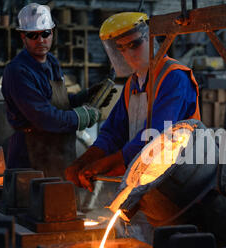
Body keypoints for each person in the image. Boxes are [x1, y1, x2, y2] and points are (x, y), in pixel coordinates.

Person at [65, 12, 201, 192]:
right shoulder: (133, 83)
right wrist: (84, 161)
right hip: (148, 178)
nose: (129, 54)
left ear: (150, 39)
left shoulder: (174, 77)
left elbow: (154, 137)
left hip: (182, 179)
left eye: (134, 44)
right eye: (121, 48)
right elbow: (113, 132)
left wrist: (105, 164)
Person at [2, 3, 113, 178]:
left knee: (63, 202)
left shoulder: (52, 61)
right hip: (30, 156)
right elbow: (44, 117)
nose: (40, 40)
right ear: (23, 36)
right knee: (32, 203)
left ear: (52, 32)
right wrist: (79, 117)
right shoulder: (18, 71)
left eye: (45, 33)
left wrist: (84, 96)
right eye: (33, 35)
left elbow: (56, 101)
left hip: (59, 151)